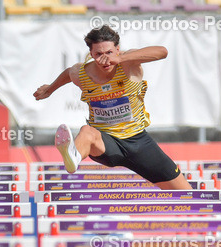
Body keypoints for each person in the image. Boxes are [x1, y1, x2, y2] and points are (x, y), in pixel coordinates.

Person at [33, 25, 190, 190]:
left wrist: (121, 59)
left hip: (138, 142)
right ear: (91, 54)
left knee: (186, 193)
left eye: (109, 53)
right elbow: (68, 73)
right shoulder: (82, 73)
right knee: (87, 131)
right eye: (98, 54)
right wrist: (49, 89)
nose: (105, 59)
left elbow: (162, 51)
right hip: (107, 143)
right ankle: (73, 156)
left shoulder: (129, 63)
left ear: (117, 49)